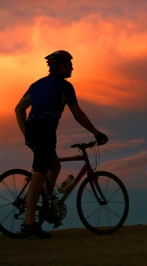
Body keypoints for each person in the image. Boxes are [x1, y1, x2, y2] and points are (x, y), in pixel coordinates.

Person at [15, 50, 108, 239]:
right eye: (70, 64)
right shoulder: (65, 87)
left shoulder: (36, 85)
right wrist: (96, 133)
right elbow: (78, 114)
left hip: (34, 129)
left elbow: (18, 110)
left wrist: (27, 135)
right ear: (61, 66)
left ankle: (46, 204)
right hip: (45, 130)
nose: (72, 67)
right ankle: (29, 222)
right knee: (40, 171)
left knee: (54, 164)